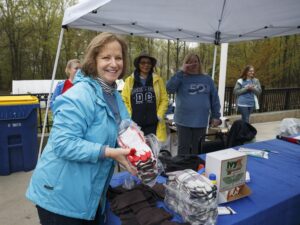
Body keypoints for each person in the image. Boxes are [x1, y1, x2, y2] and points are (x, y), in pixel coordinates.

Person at [26, 32, 136, 225]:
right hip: (60, 197)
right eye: (106, 57)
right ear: (93, 60)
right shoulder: (80, 94)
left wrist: (140, 148)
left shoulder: (114, 95)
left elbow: (124, 130)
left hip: (90, 194)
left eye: (118, 57)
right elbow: (63, 143)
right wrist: (108, 152)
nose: (114, 63)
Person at [166, 53, 221, 155]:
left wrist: (216, 116)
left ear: (199, 63)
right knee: (183, 148)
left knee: (199, 147)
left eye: (195, 61)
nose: (193, 64)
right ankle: (182, 169)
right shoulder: (181, 77)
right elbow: (168, 88)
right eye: (189, 62)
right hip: (183, 120)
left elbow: (215, 99)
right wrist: (181, 71)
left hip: (201, 120)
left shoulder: (207, 79)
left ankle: (197, 168)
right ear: (185, 64)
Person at [121, 52, 169, 143]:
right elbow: (124, 100)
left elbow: (164, 99)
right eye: (143, 62)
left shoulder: (158, 80)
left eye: (148, 63)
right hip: (135, 125)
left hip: (153, 124)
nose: (146, 65)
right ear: (138, 64)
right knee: (138, 152)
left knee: (153, 152)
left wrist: (159, 115)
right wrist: (130, 117)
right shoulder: (129, 80)